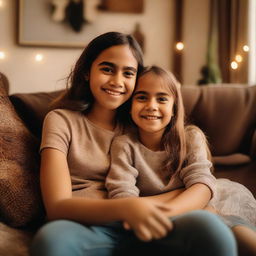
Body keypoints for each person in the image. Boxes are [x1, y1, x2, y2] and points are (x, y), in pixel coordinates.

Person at [30, 33, 237, 256]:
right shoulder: (61, 121)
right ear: (86, 72)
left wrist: (145, 209)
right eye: (107, 69)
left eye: (128, 73)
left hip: (154, 223)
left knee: (211, 229)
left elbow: (189, 182)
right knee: (51, 240)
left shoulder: (144, 123)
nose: (117, 81)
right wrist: (127, 208)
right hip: (88, 228)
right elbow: (56, 207)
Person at [106, 65, 256, 255]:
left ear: (174, 108)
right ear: (129, 107)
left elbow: (201, 185)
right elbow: (122, 196)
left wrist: (165, 213)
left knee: (241, 237)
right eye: (142, 97)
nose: (151, 105)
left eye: (161, 99)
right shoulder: (123, 145)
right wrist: (142, 215)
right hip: (158, 218)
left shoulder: (190, 137)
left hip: (210, 205)